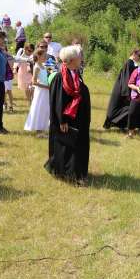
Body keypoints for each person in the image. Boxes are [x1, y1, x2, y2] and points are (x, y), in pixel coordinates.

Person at [45, 45, 91, 184]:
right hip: (67, 120)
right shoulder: (60, 78)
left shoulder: (76, 74)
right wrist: (62, 121)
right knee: (68, 147)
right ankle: (71, 175)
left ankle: (79, 172)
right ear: (71, 60)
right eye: (79, 57)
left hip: (79, 118)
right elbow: (58, 101)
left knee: (80, 145)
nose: (81, 59)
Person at [103, 48, 140, 130]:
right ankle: (114, 123)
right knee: (122, 108)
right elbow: (126, 79)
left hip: (124, 89)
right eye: (139, 55)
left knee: (125, 108)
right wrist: (126, 93)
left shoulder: (132, 64)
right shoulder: (129, 63)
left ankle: (122, 126)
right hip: (122, 90)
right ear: (134, 54)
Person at [24, 49, 50, 136]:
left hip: (46, 91)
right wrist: (46, 86)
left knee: (45, 109)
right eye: (44, 55)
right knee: (39, 109)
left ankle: (42, 129)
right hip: (41, 91)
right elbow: (34, 81)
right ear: (38, 56)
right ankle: (39, 130)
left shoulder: (43, 66)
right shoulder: (36, 67)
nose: (45, 57)